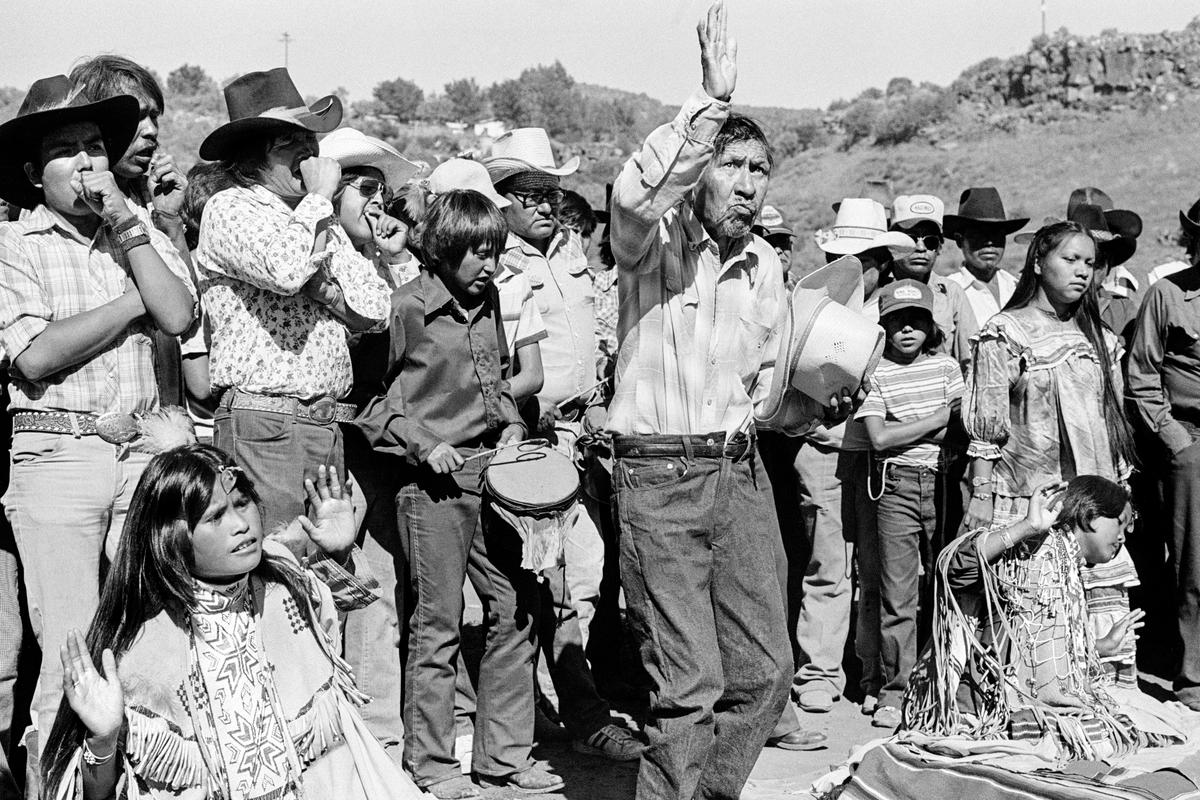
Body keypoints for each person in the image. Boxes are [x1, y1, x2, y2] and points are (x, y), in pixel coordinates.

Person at [608, 4, 832, 796]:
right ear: (699, 169)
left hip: (737, 478)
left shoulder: (766, 265)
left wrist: (814, 404)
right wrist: (709, 102)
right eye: (731, 166)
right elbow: (637, 197)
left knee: (767, 672)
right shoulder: (650, 245)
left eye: (758, 170)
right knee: (688, 685)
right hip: (658, 479)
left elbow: (763, 392)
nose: (746, 183)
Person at [39, 444, 423, 799]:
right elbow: (98, 792)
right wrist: (104, 740)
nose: (241, 524)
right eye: (216, 516)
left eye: (243, 503)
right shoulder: (142, 649)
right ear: (171, 537)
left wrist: (338, 554)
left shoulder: (283, 582)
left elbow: (328, 616)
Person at [0, 75, 196, 750]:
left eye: (95, 147)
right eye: (68, 151)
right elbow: (36, 356)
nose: (89, 163)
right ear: (32, 172)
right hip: (59, 457)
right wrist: (130, 304)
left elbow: (177, 312)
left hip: (141, 453)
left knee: (148, 639)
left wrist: (127, 227)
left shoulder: (132, 233)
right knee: (71, 654)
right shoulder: (14, 246)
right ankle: (50, 782)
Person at [356, 190, 562, 797]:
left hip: (495, 480)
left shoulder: (492, 298)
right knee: (437, 626)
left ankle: (503, 757)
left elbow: (496, 375)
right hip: (432, 488)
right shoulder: (407, 307)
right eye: (478, 253)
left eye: (495, 252)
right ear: (444, 249)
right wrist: (425, 445)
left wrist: (515, 424)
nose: (491, 266)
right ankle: (432, 764)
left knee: (517, 610)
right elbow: (367, 400)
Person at [195, 68, 391, 537]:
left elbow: (378, 307)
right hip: (265, 421)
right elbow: (286, 270)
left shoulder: (313, 217)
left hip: (322, 424)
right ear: (254, 157)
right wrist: (321, 196)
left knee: (324, 561)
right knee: (277, 556)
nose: (310, 152)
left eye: (311, 140)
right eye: (291, 143)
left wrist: (328, 294)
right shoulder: (231, 208)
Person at [962, 221, 1142, 687]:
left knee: (1102, 611)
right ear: (1039, 263)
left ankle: (1102, 698)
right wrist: (981, 495)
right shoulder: (1005, 331)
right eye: (1070, 259)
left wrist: (1121, 498)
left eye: (1089, 262)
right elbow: (987, 424)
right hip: (1032, 500)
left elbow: (1113, 421)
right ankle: (1023, 703)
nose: (1082, 271)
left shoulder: (1099, 337)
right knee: (1028, 613)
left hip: (1095, 504)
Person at [903, 477, 1189, 759]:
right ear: (1091, 517)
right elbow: (955, 567)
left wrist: (1100, 647)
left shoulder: (1068, 562)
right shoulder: (1036, 547)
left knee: (1132, 729)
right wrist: (1026, 527)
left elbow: (1046, 647)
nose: (1123, 537)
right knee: (1106, 736)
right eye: (1120, 523)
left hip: (1026, 699)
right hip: (988, 699)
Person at [769, 198, 910, 718]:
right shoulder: (817, 309)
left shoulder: (887, 308)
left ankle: (860, 666)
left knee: (871, 564)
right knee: (827, 562)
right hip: (824, 446)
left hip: (873, 450)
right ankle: (819, 671)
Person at [318, 126, 420, 767]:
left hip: (375, 444)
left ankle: (380, 739)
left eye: (381, 191)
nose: (376, 204)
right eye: (362, 189)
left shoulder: (385, 261)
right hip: (333, 435)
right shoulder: (320, 250)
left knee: (379, 588)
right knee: (328, 586)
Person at [854, 279, 964, 730]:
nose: (906, 330)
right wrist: (937, 418)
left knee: (950, 583)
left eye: (916, 320)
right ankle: (895, 690)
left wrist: (919, 426)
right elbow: (879, 438)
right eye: (896, 321)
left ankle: (947, 681)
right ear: (883, 328)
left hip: (942, 482)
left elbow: (958, 431)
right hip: (895, 485)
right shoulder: (875, 373)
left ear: (930, 326)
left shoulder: (947, 368)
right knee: (898, 592)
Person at [70, 55, 194, 409]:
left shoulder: (147, 198)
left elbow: (185, 315)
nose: (152, 130)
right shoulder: (61, 210)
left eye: (155, 116)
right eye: (138, 117)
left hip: (159, 413)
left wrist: (169, 221)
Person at [1126, 210, 1200, 711]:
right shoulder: (1168, 295)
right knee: (1195, 563)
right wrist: (1177, 441)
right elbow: (1142, 375)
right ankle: (1194, 674)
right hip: (1191, 438)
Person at [885, 195, 977, 369]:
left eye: (930, 241)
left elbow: (970, 360)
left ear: (939, 248)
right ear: (892, 243)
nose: (921, 248)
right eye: (911, 239)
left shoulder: (951, 293)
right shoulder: (878, 290)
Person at [944, 187, 1028, 327]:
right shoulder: (949, 292)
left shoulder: (1017, 287)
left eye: (997, 234)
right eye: (979, 234)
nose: (989, 242)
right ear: (960, 240)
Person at [752, 204, 795, 287]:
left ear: (791, 247)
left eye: (783, 241)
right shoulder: (747, 294)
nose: (778, 250)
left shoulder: (804, 290)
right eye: (768, 243)